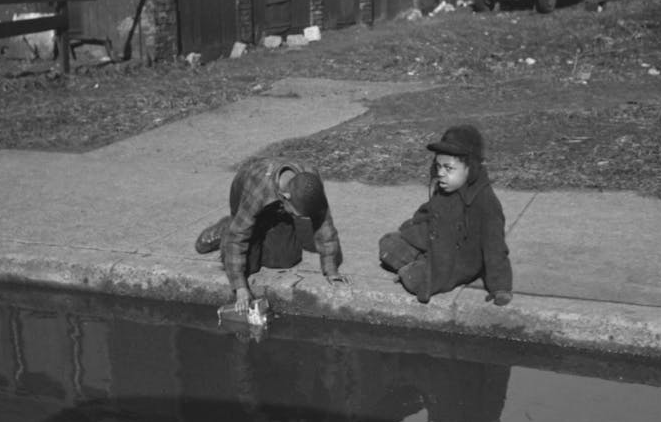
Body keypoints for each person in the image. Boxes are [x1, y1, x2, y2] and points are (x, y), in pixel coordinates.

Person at [378, 124, 512, 305]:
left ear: (470, 169)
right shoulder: (445, 188)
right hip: (434, 242)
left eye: (449, 169)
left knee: (417, 280)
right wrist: (412, 227)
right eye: (438, 166)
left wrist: (500, 287)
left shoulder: (485, 203)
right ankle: (415, 262)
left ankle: (414, 268)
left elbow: (495, 247)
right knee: (389, 244)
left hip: (456, 260)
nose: (441, 173)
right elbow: (429, 212)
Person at [195, 157, 349, 312]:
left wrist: (331, 270)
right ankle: (226, 227)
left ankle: (265, 227)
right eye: (299, 214)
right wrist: (240, 288)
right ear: (286, 197)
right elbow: (238, 239)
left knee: (285, 259)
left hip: (277, 207)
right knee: (248, 266)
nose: (302, 218)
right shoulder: (258, 189)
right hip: (246, 202)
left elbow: (324, 224)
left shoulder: (310, 181)